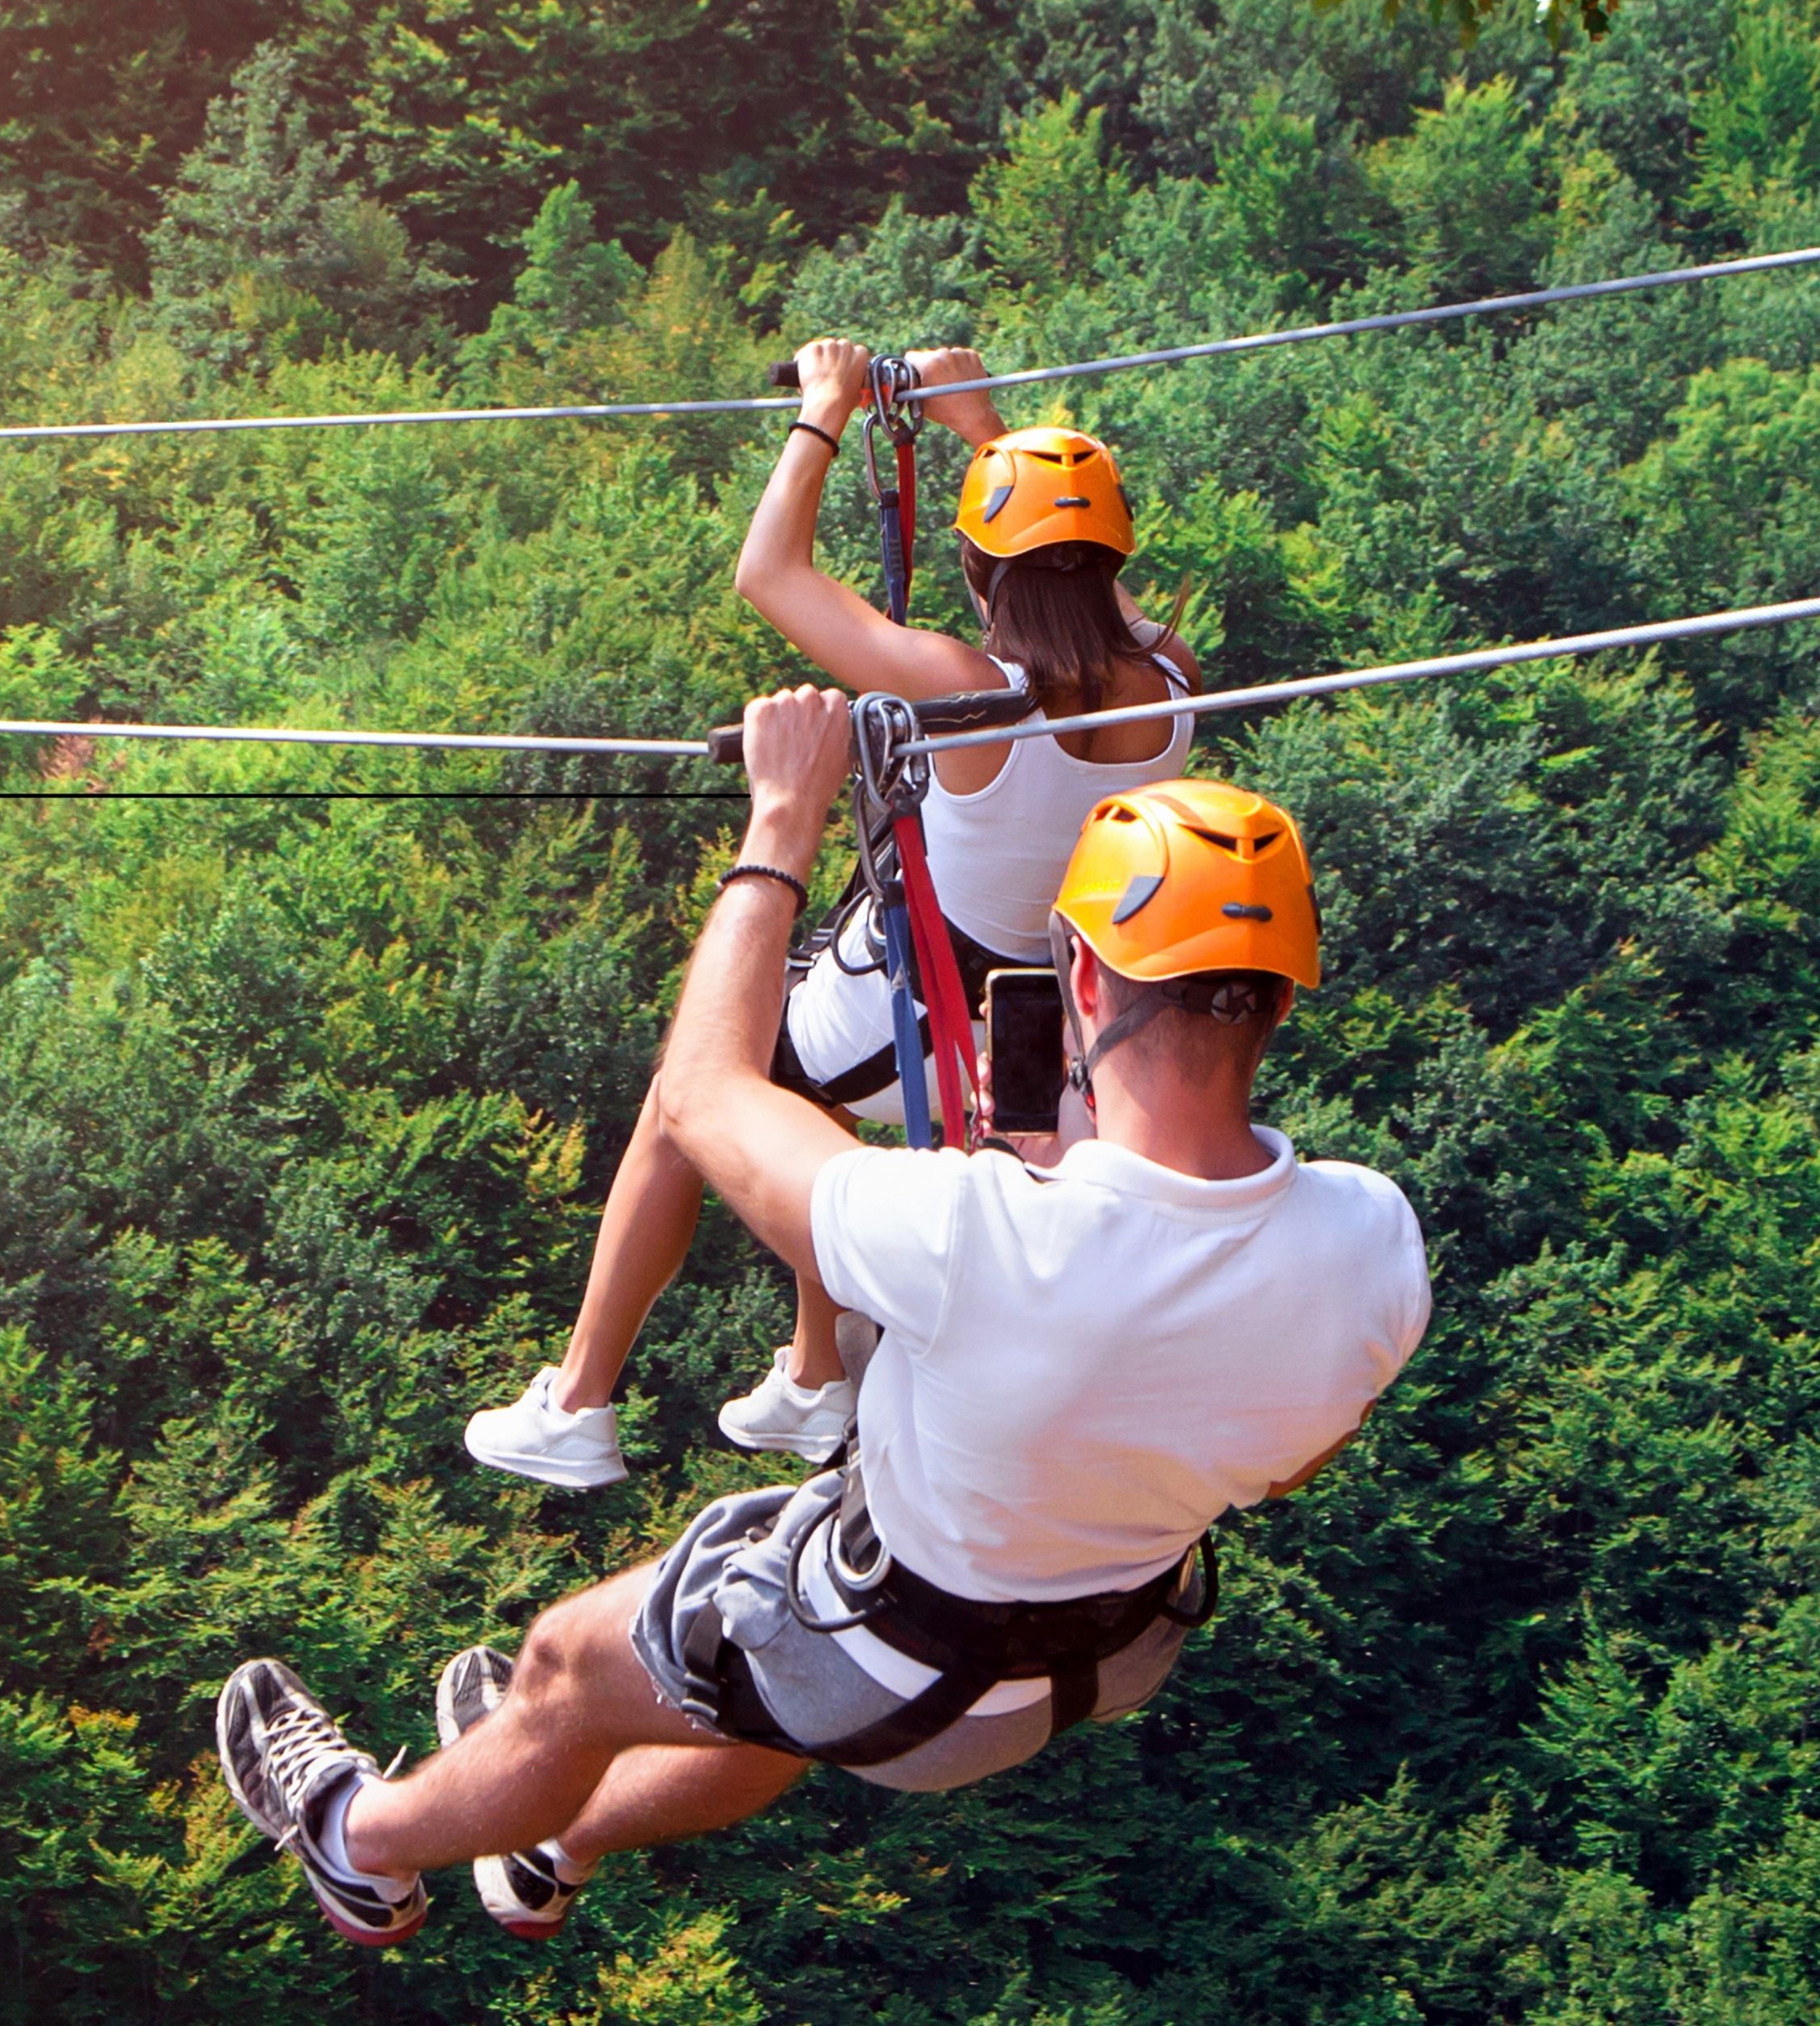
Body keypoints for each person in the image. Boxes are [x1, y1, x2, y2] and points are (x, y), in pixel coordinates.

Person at [219, 686, 1429, 1949]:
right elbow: (1293, 1460)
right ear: (1284, 998)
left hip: (895, 1655)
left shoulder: (973, 1232)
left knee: (568, 1670)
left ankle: (357, 1844)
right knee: (764, 1691)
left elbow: (700, 1093)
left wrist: (782, 822)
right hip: (1100, 1654)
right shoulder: (1372, 1244)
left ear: (1077, 969)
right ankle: (553, 1846)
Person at [465, 337, 1205, 1487]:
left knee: (689, 1092)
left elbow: (770, 574)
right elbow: (1083, 581)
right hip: (1038, 1022)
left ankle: (578, 1401)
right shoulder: (1174, 679)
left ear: (978, 565)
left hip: (921, 1002)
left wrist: (823, 411)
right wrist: (982, 427)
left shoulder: (965, 690)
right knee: (814, 1101)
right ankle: (817, 1377)